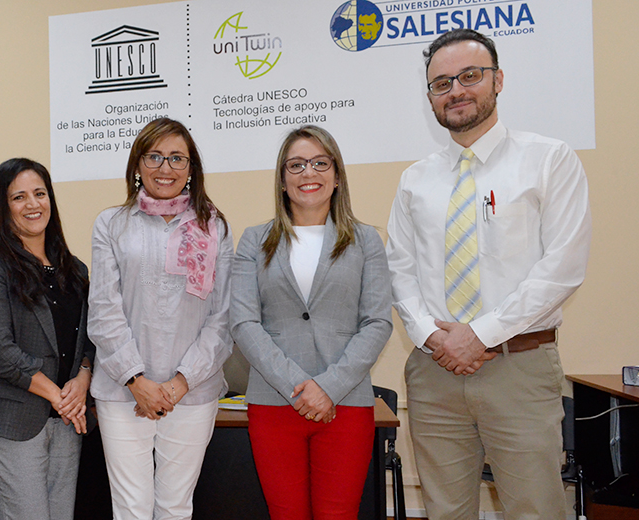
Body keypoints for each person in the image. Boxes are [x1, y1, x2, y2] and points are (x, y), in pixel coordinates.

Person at [386, 29, 591, 519]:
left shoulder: (549, 159)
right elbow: (399, 268)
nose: (455, 90)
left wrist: (479, 334)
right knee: (444, 511)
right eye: (441, 83)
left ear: (498, 81)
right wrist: (432, 337)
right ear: (430, 97)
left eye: (469, 76)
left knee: (535, 510)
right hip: (433, 373)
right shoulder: (416, 179)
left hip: (518, 367)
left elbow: (562, 267)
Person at [231, 125, 393, 520]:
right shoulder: (254, 240)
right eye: (297, 165)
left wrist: (328, 387)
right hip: (274, 401)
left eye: (320, 163)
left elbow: (377, 322)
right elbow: (243, 322)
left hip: (346, 402)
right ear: (283, 180)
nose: (309, 173)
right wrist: (297, 387)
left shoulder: (366, 240)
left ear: (337, 177)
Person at [88, 117, 233, 520]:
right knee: (131, 508)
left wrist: (180, 382)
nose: (165, 168)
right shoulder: (112, 224)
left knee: (175, 507)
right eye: (154, 156)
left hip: (193, 391)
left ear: (191, 169)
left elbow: (223, 316)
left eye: (176, 158)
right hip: (123, 392)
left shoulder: (214, 226)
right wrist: (137, 380)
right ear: (137, 164)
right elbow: (103, 310)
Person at [0, 158, 94, 520]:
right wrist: (58, 396)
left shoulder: (75, 269)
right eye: (19, 197)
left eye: (39, 193)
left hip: (66, 421)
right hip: (13, 420)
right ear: (2, 208)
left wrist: (82, 378)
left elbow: (90, 339)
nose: (33, 204)